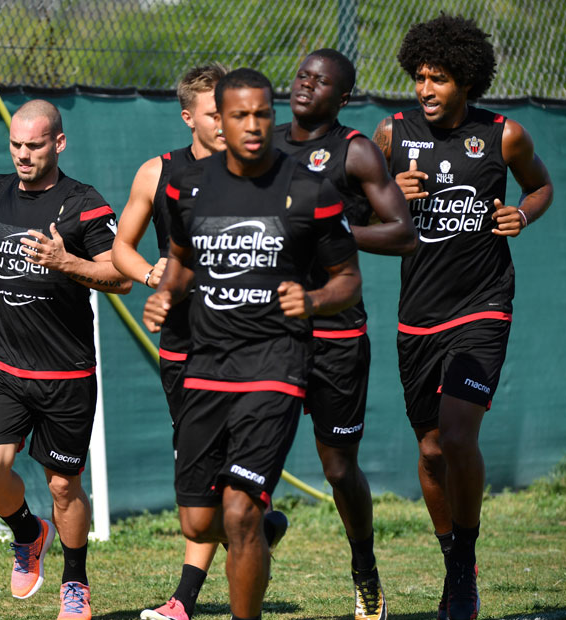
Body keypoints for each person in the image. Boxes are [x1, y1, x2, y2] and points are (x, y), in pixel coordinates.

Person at [143, 68, 361, 620]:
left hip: (275, 364)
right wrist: (165, 293)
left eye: (262, 113)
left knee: (238, 511)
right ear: (219, 117)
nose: (252, 125)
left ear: (273, 113)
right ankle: (264, 532)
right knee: (198, 520)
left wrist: (312, 302)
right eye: (238, 115)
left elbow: (347, 279)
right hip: (207, 364)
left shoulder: (309, 188)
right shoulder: (186, 187)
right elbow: (182, 259)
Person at [371, 15, 553, 620]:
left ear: (466, 81)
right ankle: (454, 557)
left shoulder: (505, 136)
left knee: (455, 436)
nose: (425, 87)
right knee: (428, 453)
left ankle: (462, 571)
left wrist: (522, 216)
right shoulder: (391, 135)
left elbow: (541, 188)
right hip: (416, 316)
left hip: (482, 307)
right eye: (420, 76)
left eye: (439, 77)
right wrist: (392, 192)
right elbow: (351, 205)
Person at [112, 64, 287, 620]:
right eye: (216, 114)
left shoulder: (270, 172)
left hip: (258, 352)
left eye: (235, 112)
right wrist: (152, 277)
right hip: (186, 351)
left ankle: (184, 600)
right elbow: (123, 248)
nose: (227, 124)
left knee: (237, 493)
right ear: (189, 116)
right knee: (203, 503)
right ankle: (260, 525)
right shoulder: (158, 174)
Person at [0, 99, 131, 620]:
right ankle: (27, 533)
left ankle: (75, 582)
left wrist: (65, 260)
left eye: (34, 145)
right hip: (3, 366)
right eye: (16, 144)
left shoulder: (84, 204)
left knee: (63, 485)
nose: (22, 154)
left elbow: (120, 276)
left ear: (58, 144)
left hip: (66, 373)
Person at [274, 48, 418, 620]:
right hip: (271, 333)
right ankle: (253, 531)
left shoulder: (354, 150)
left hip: (335, 335)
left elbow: (403, 232)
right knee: (239, 455)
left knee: (337, 468)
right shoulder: (264, 144)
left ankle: (365, 570)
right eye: (301, 76)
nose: (306, 87)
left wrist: (336, 229)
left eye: (321, 82)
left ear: (343, 96)